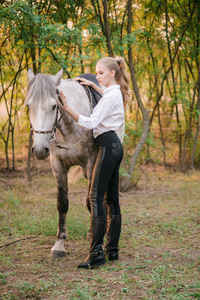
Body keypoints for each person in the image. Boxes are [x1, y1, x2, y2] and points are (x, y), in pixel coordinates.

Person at [59, 56, 131, 269]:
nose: (97, 76)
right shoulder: (113, 92)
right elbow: (106, 95)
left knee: (95, 197)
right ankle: (112, 250)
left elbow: (90, 122)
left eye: (100, 73)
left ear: (112, 73)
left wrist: (67, 108)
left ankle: (96, 253)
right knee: (111, 200)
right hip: (115, 146)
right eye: (96, 73)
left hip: (108, 147)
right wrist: (92, 84)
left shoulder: (110, 96)